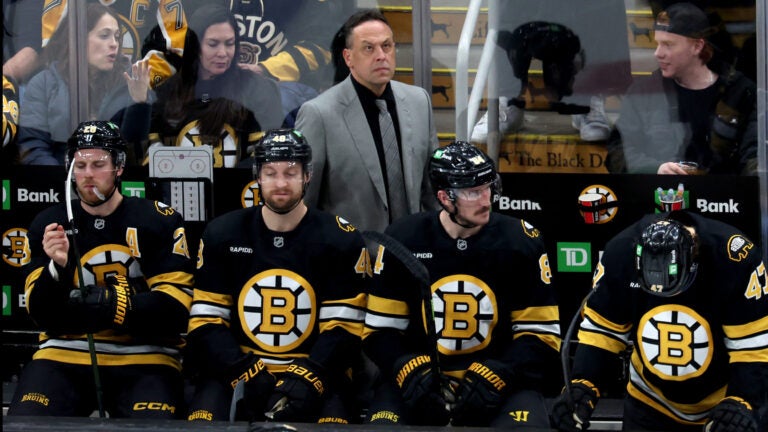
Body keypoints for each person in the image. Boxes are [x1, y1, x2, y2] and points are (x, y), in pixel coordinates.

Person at [363, 141, 562, 427]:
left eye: (488, 188)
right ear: (444, 197)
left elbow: (542, 335)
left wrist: (502, 371)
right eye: (473, 192)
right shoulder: (404, 237)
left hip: (504, 384)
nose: (486, 200)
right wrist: (407, 367)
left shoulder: (521, 241)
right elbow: (379, 331)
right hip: (422, 383)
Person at [8, 120, 195, 418]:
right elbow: (40, 313)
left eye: (98, 165)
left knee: (155, 426)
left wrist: (111, 304)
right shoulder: (49, 224)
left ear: (119, 167)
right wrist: (57, 270)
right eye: (80, 166)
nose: (88, 175)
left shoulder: (158, 219)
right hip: (63, 353)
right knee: (27, 422)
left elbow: (175, 310)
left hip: (147, 356)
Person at [185, 128, 368, 423]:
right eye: (270, 173)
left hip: (316, 373)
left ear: (307, 175)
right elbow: (206, 322)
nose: (280, 183)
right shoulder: (223, 233)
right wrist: (244, 371)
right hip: (237, 371)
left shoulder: (340, 238)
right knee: (202, 425)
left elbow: (343, 328)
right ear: (257, 176)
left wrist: (307, 377)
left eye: (291, 173)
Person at [551, 211, 768, 431]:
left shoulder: (733, 257)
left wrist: (743, 400)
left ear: (693, 256)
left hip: (721, 403)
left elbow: (753, 345)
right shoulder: (620, 252)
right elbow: (603, 330)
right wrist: (583, 384)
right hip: (648, 401)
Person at [295, 9, 440, 233]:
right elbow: (305, 202)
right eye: (369, 48)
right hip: (351, 249)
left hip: (412, 247)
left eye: (386, 46)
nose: (381, 55)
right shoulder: (318, 113)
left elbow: (432, 190)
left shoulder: (419, 101)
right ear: (348, 57)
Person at [614, 2, 757, 175]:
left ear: (697, 46)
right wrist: (656, 169)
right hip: (661, 191)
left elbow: (755, 158)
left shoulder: (741, 92)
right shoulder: (644, 92)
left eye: (668, 44)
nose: (658, 53)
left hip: (724, 191)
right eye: (657, 43)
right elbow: (617, 152)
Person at [148, 3, 283, 168]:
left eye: (230, 43)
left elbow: (269, 157)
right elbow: (150, 151)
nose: (223, 53)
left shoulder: (257, 89)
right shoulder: (170, 90)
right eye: (213, 44)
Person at [17, 3, 153, 166]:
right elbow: (33, 148)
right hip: (59, 177)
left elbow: (134, 155)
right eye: (104, 36)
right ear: (78, 39)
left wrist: (139, 103)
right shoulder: (44, 83)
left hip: (112, 179)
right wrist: (66, 178)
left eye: (117, 37)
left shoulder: (130, 83)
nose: (114, 44)